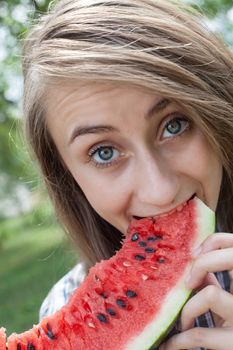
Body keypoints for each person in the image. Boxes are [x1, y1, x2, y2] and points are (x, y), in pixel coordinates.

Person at [22, 0, 233, 348]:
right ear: (68, 176)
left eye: (174, 125)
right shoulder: (60, 304)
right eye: (104, 152)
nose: (160, 189)